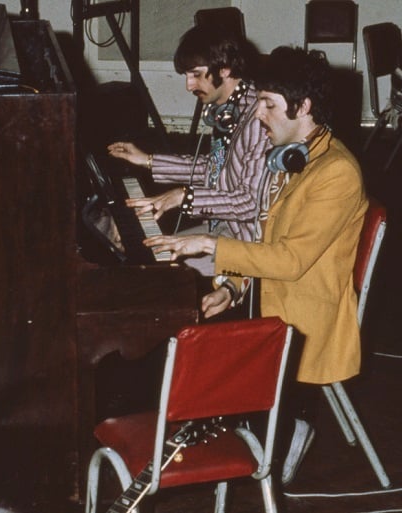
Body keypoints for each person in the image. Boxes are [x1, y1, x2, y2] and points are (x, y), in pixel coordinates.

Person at [144, 46, 368, 486]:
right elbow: (268, 240)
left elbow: (289, 259)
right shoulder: (293, 156)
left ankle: (277, 431)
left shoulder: (336, 172)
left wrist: (210, 242)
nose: (258, 114)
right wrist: (231, 287)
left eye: (268, 104)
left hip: (304, 321)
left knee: (188, 359)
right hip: (269, 301)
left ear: (302, 107)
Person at [107, 25, 271, 276]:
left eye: (196, 74)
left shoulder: (257, 120)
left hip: (244, 243)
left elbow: (250, 203)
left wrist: (184, 197)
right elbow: (214, 169)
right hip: (220, 228)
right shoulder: (227, 110)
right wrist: (148, 160)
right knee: (141, 249)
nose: (188, 85)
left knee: (155, 276)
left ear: (224, 69)